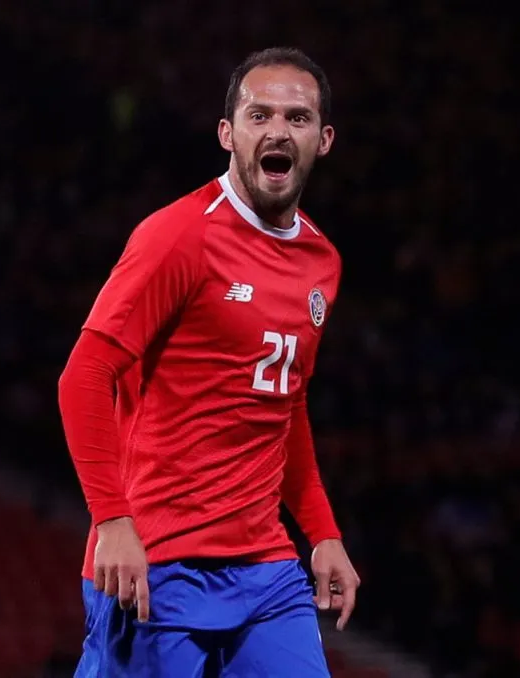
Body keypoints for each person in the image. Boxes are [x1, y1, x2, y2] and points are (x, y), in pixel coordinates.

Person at [59, 47, 360, 677]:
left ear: (324, 140)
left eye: (298, 118)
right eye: (260, 114)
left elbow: (283, 403)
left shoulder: (321, 261)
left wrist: (323, 532)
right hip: (158, 563)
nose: (278, 130)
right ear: (228, 133)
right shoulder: (179, 236)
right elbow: (84, 375)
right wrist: (111, 521)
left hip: (265, 569)